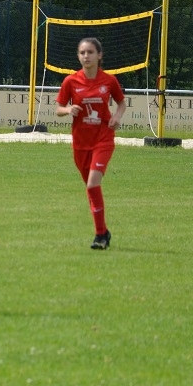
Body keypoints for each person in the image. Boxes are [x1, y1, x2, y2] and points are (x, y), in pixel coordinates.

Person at [55, 37, 126, 249]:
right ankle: (104, 232)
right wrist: (69, 109)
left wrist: (117, 117)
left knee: (93, 184)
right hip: (80, 143)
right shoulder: (71, 81)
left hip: (103, 139)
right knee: (91, 189)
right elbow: (58, 109)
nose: (86, 56)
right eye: (82, 52)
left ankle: (99, 236)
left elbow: (121, 103)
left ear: (99, 55)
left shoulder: (109, 81)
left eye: (90, 52)